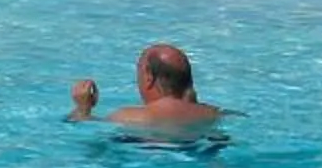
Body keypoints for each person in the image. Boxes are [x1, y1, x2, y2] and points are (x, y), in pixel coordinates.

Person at [70, 43, 223, 144]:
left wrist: (83, 109)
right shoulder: (216, 114)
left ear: (149, 78)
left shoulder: (128, 116)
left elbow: (88, 139)